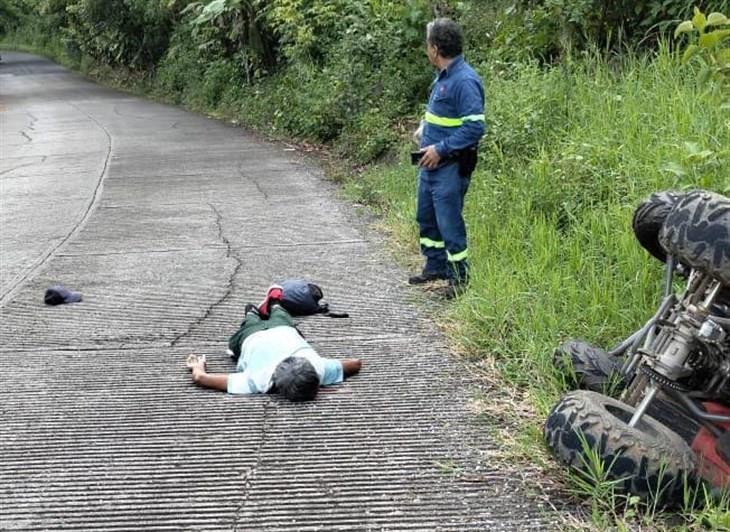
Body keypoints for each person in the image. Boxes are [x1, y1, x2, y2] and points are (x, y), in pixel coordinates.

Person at [410, 18, 486, 299]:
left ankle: (459, 279)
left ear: (435, 48)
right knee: (426, 217)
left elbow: (475, 127)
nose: (426, 48)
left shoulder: (464, 80)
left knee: (449, 223)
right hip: (429, 165)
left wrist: (440, 148)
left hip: (449, 167)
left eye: (427, 43)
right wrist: (424, 130)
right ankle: (435, 266)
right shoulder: (444, 77)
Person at [185, 302, 362, 401]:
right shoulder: (258, 381)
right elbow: (201, 378)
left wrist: (325, 378)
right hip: (250, 337)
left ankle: (270, 307)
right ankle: (254, 314)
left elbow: (355, 363)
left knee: (281, 316)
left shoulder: (320, 368)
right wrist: (197, 366)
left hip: (282, 329)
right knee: (246, 330)